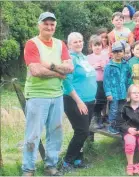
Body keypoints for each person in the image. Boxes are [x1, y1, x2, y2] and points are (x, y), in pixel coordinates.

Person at [22, 12, 73, 176]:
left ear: (55, 26)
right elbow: (35, 70)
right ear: (39, 25)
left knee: (56, 132)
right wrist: (59, 72)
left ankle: (51, 166)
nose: (49, 27)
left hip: (57, 94)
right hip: (37, 95)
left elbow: (70, 68)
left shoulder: (60, 44)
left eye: (52, 24)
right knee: (33, 134)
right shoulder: (32, 44)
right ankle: (28, 169)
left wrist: (49, 65)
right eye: (46, 24)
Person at [61, 32, 97, 172]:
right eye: (75, 42)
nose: (79, 43)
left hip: (89, 100)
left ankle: (78, 160)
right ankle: (67, 162)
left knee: (83, 131)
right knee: (81, 131)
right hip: (75, 101)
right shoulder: (69, 59)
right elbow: (67, 83)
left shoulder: (83, 57)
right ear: (69, 45)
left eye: (80, 41)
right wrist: (79, 101)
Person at [117, 84, 139, 175]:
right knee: (129, 143)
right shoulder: (124, 107)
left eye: (138, 93)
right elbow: (119, 123)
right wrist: (128, 129)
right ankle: (130, 165)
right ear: (129, 95)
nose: (136, 95)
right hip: (129, 132)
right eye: (134, 93)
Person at [103, 41, 131, 134]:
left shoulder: (126, 65)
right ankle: (112, 126)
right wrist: (108, 93)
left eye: (119, 51)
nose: (117, 53)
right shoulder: (109, 66)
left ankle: (119, 126)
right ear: (112, 53)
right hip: (113, 93)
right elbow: (106, 81)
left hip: (123, 92)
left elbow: (128, 78)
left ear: (123, 52)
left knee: (121, 109)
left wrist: (128, 92)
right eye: (115, 52)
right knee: (113, 110)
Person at [87, 35, 109, 129]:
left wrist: (105, 67)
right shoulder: (88, 57)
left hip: (104, 82)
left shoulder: (105, 56)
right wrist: (93, 67)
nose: (97, 47)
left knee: (103, 100)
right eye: (95, 45)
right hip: (93, 82)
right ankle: (94, 119)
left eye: (99, 45)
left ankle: (101, 119)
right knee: (97, 101)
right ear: (91, 46)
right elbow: (86, 70)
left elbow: (109, 68)